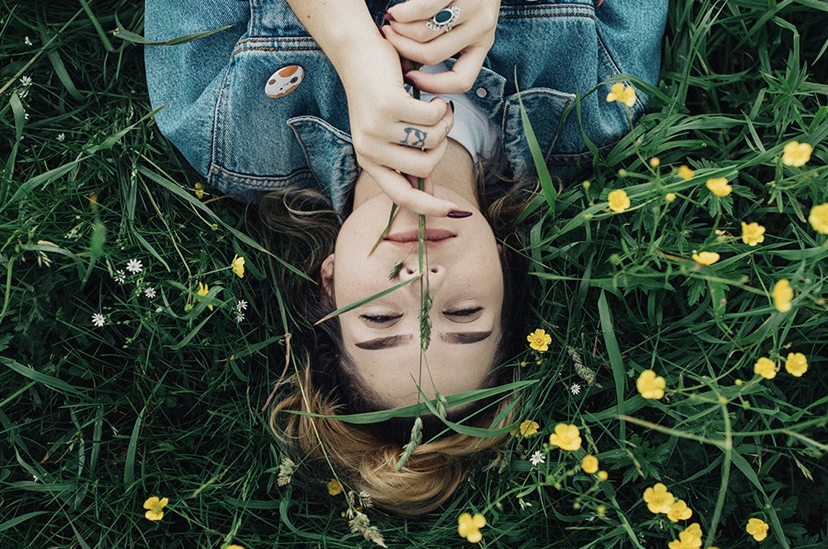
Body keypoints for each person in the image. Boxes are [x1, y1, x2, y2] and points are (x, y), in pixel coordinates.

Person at [145, 0, 667, 514]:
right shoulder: (599, 101)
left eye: (380, 316)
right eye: (463, 314)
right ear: (506, 276)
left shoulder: (224, 130)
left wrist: (350, 43)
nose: (421, 279)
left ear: (328, 282)